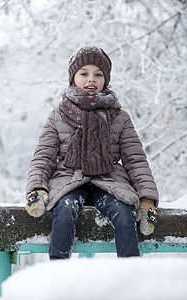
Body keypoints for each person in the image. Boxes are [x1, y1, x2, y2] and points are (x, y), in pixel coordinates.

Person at [26, 46, 159, 259]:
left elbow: (135, 159)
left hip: (109, 180)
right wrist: (37, 188)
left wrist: (146, 198)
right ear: (73, 79)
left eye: (98, 74)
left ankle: (132, 276)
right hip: (69, 179)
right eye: (84, 73)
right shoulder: (58, 115)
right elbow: (44, 156)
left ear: (105, 80)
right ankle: (58, 276)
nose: (91, 79)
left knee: (124, 213)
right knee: (64, 209)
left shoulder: (119, 117)